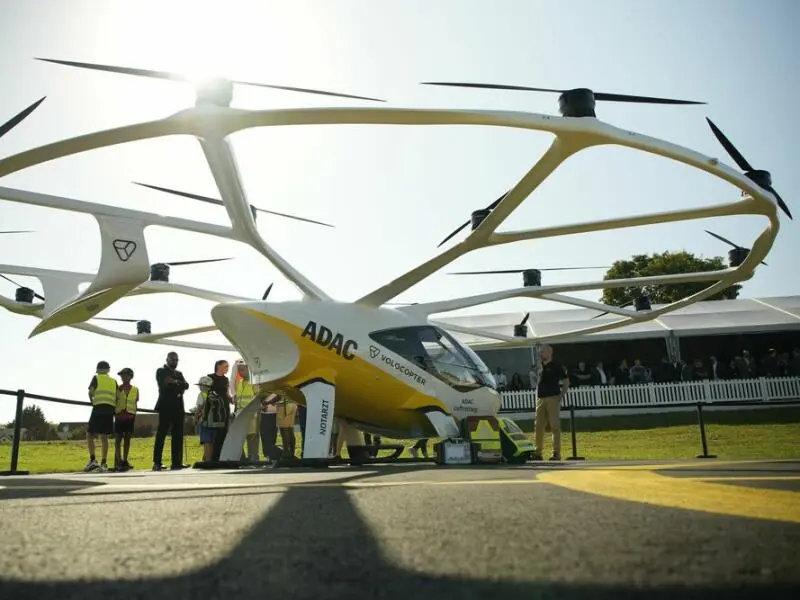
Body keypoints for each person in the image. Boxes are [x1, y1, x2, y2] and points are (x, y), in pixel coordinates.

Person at [153, 351, 189, 470]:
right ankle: (157, 462)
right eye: (173, 360)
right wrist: (178, 384)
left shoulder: (179, 373)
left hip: (178, 408)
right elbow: (164, 385)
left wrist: (175, 382)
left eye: (176, 360)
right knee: (162, 434)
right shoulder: (161, 371)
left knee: (178, 435)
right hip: (165, 407)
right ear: (167, 359)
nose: (175, 362)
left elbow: (186, 385)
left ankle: (176, 462)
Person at [533, 344, 570, 461]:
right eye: (540, 352)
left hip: (553, 398)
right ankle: (537, 452)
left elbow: (566, 381)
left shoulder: (556, 366)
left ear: (549, 352)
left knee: (554, 426)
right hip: (540, 398)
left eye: (542, 352)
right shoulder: (539, 367)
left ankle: (556, 453)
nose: (540, 354)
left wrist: (562, 394)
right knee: (538, 426)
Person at [84, 360, 117, 472]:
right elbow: (117, 396)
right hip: (110, 410)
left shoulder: (96, 378)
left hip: (98, 408)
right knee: (104, 437)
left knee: (89, 434)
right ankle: (104, 463)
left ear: (98, 370)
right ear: (108, 370)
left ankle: (93, 460)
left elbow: (91, 392)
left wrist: (91, 401)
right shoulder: (113, 381)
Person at [195, 375, 226, 461]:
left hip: (205, 422)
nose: (199, 387)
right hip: (214, 422)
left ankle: (208, 460)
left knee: (206, 441)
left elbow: (199, 408)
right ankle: (208, 458)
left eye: (200, 385)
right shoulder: (215, 394)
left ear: (204, 386)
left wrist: (196, 419)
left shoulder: (202, 395)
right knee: (211, 441)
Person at [113, 367, 138, 472]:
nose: (123, 377)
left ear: (130, 376)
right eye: (122, 376)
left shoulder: (135, 389)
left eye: (125, 375)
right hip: (119, 416)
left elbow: (135, 401)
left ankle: (125, 460)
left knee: (127, 440)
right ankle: (119, 462)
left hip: (130, 417)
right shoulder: (117, 388)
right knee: (117, 440)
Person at [233, 362, 259, 461]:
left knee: (251, 436)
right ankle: (244, 457)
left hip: (251, 414)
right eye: (239, 370)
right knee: (242, 436)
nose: (240, 372)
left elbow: (258, 397)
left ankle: (253, 456)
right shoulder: (240, 382)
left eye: (242, 369)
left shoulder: (254, 382)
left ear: (248, 369)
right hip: (240, 413)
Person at [209, 359, 233, 461]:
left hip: (225, 408)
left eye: (228, 367)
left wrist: (231, 399)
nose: (227, 368)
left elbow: (226, 393)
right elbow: (208, 392)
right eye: (225, 366)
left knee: (223, 432)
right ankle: (213, 457)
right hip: (215, 409)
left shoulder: (226, 379)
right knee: (215, 433)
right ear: (218, 366)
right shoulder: (210, 377)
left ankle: (221, 456)